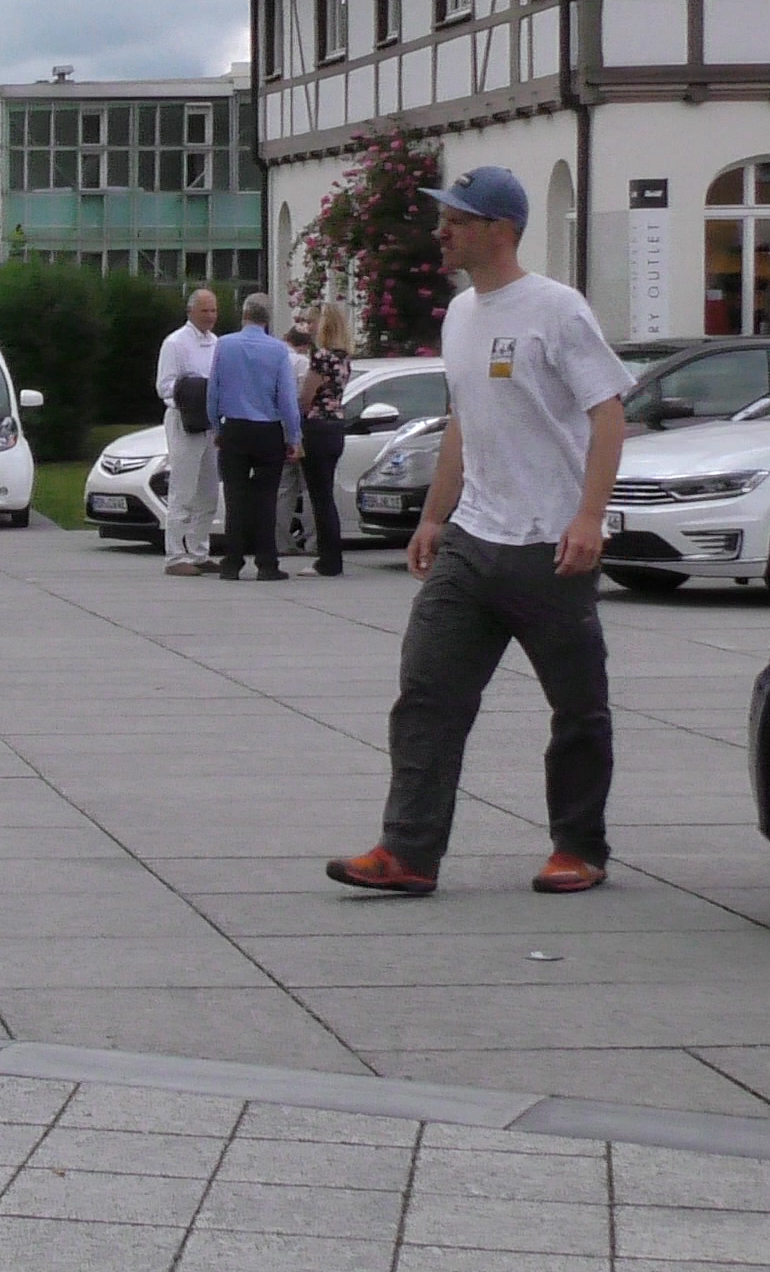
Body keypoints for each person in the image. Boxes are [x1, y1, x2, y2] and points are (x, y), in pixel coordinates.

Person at [328, 164, 632, 900]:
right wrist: (434, 515)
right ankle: (408, 853)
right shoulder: (460, 316)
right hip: (473, 539)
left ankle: (579, 847)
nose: (443, 231)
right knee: (426, 694)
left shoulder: (557, 311)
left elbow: (608, 410)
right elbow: (464, 421)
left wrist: (589, 516)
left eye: (457, 219)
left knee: (577, 707)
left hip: (550, 546)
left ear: (500, 229)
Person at [211, 292, 302, 580]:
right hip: (267, 430)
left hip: (235, 427)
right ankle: (267, 563)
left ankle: (231, 562)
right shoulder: (277, 350)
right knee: (266, 499)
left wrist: (217, 425)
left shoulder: (224, 345)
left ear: (243, 316)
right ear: (268, 319)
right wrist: (294, 436)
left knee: (235, 496)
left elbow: (214, 389)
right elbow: (286, 397)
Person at [154, 288, 223, 576]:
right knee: (183, 488)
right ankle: (175, 554)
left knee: (208, 490)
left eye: (214, 311)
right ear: (191, 311)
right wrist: (192, 393)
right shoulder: (176, 343)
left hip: (210, 421)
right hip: (184, 420)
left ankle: (199, 550)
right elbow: (165, 386)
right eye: (205, 311)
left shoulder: (217, 343)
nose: (210, 317)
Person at [296, 302, 357, 577]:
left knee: (319, 497)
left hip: (317, 426)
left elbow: (306, 397)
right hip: (336, 426)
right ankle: (332, 556)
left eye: (312, 322)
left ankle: (327, 560)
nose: (308, 327)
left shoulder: (321, 357)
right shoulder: (344, 357)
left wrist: (294, 421)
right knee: (325, 495)